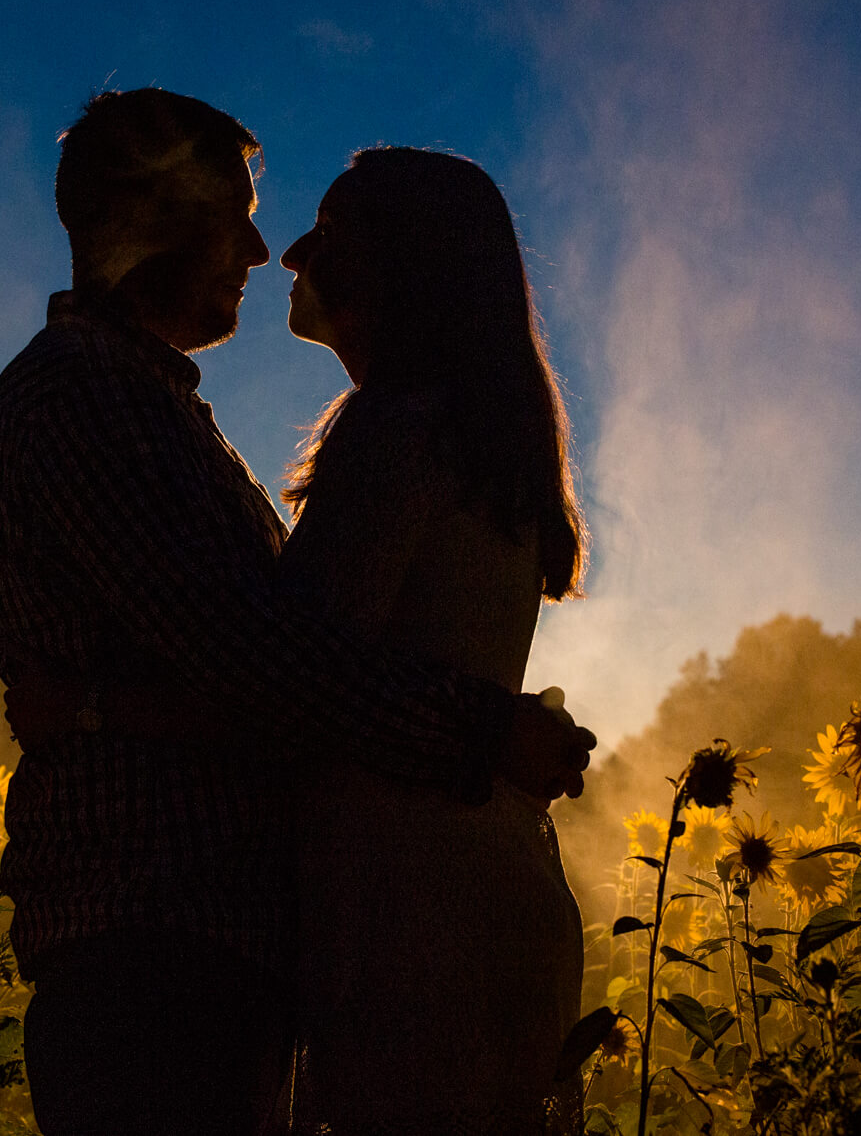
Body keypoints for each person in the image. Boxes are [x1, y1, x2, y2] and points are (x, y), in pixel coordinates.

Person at [0, 90, 595, 1136]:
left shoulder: (167, 407)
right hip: (150, 940)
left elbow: (276, 661)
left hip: (235, 942)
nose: (265, 250)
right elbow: (269, 667)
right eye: (232, 213)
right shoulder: (83, 396)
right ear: (149, 222)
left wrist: (92, 708)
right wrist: (488, 731)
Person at [278, 147, 588, 1134]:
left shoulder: (394, 430)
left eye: (326, 233)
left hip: (404, 916)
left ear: (395, 265)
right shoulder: (479, 438)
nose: (289, 253)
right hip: (491, 880)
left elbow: (298, 671)